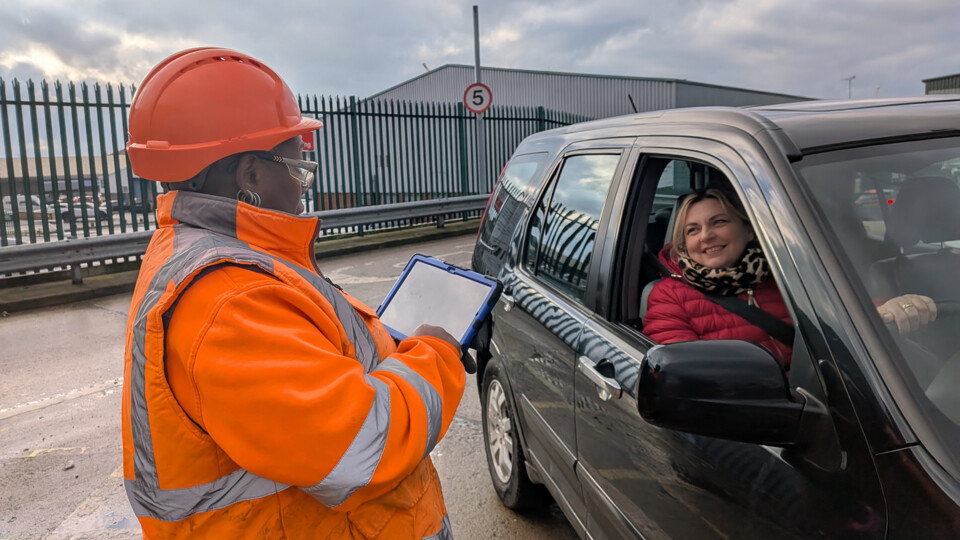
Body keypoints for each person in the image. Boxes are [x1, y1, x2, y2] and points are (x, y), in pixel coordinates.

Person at [121, 47, 465, 539]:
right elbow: (360, 447)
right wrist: (436, 354)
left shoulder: (219, 256)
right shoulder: (229, 301)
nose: (303, 185)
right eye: (298, 165)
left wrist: (393, 345)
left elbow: (308, 366)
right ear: (251, 175)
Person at [643, 188, 935, 373]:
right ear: (684, 243)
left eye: (719, 222)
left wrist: (890, 307)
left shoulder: (784, 273)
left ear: (748, 230)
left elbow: (839, 309)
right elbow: (689, 377)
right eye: (693, 230)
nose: (706, 236)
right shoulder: (670, 296)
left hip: (829, 404)